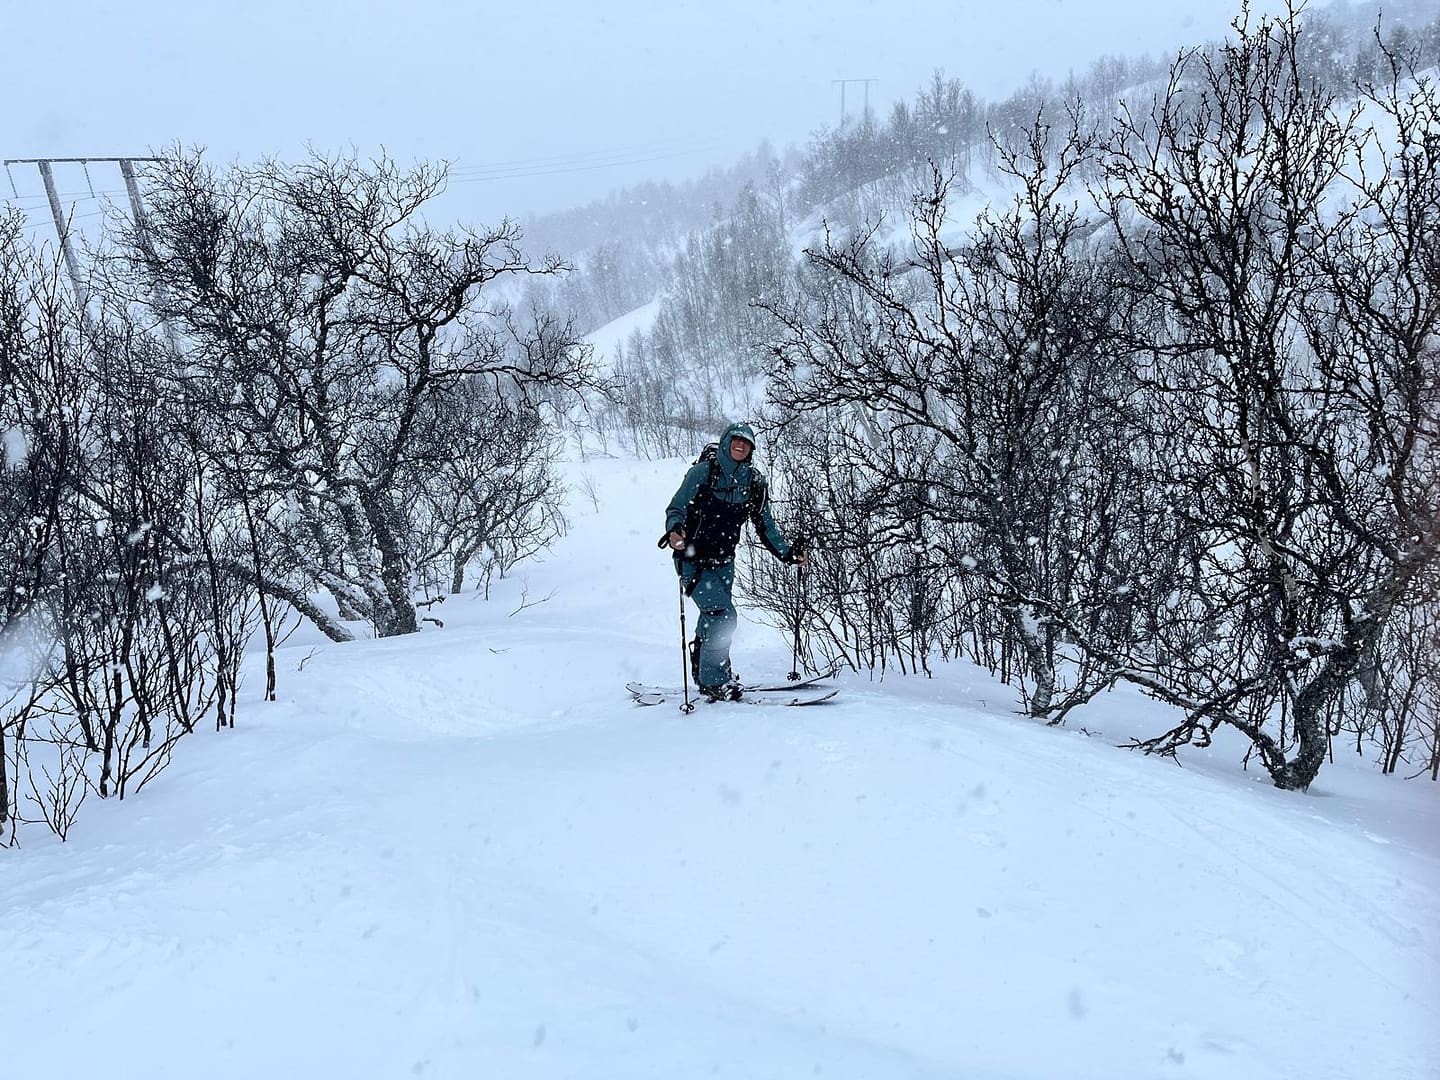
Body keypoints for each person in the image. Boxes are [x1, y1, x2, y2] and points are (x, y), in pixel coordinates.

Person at [662, 422, 807, 701]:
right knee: (723, 616)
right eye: (736, 441)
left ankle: (706, 671)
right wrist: (675, 530)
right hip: (693, 561)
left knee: (713, 617)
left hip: (725, 562)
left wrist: (788, 553)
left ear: (751, 449)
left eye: (747, 443)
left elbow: (766, 526)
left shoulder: (753, 483)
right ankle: (715, 681)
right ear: (726, 442)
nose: (740, 446)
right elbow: (676, 507)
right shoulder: (702, 473)